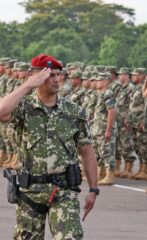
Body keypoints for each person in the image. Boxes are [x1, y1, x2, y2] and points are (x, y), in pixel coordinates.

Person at [0, 54, 98, 239]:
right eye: (49, 75)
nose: (56, 79)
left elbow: (87, 150)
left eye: (58, 74)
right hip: (30, 193)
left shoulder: (73, 112)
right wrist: (28, 85)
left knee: (70, 237)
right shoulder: (24, 108)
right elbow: (1, 112)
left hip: (64, 191)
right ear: (35, 76)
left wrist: (93, 189)